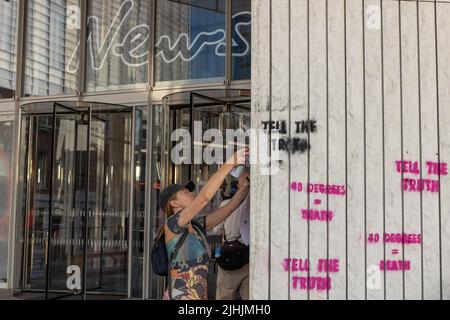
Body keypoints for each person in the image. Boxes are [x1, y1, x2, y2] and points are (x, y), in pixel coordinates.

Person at [161, 149, 250, 300]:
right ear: (173, 203)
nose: (191, 193)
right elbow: (203, 198)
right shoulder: (173, 224)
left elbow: (230, 207)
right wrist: (230, 163)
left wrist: (245, 185)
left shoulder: (195, 226)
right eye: (185, 192)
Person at [214, 172, 250, 300]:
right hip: (247, 256)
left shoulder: (226, 205)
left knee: (225, 295)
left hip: (229, 256)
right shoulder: (255, 206)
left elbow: (216, 229)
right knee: (249, 296)